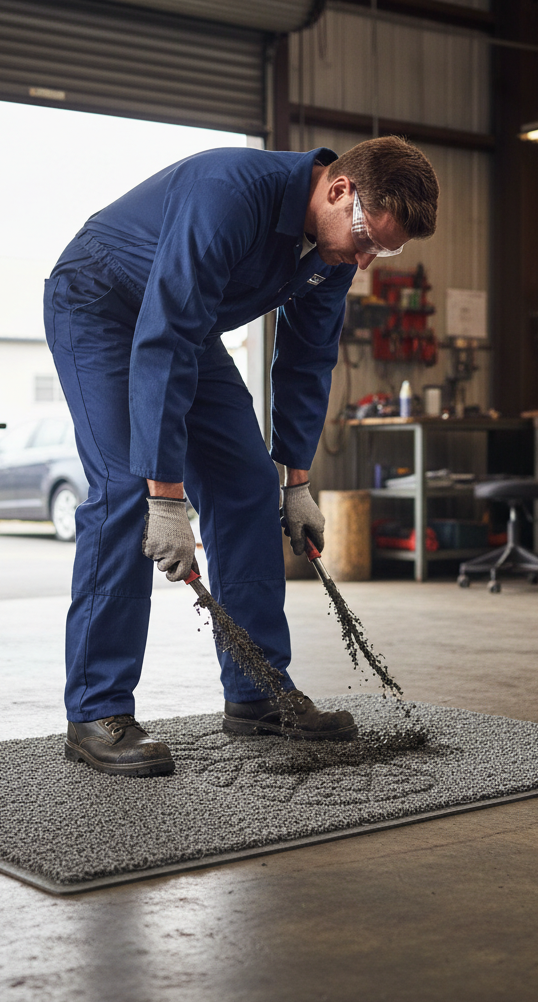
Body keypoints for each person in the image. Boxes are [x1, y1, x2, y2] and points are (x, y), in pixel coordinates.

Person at [44, 136, 439, 777]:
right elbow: (162, 337)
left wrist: (297, 481)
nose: (365, 260)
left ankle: (257, 695)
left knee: (249, 485)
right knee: (124, 491)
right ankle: (97, 710)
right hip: (100, 302)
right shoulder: (229, 195)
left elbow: (308, 359)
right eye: (366, 238)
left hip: (182, 325)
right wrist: (166, 497)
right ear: (340, 189)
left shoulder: (332, 253)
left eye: (382, 251)